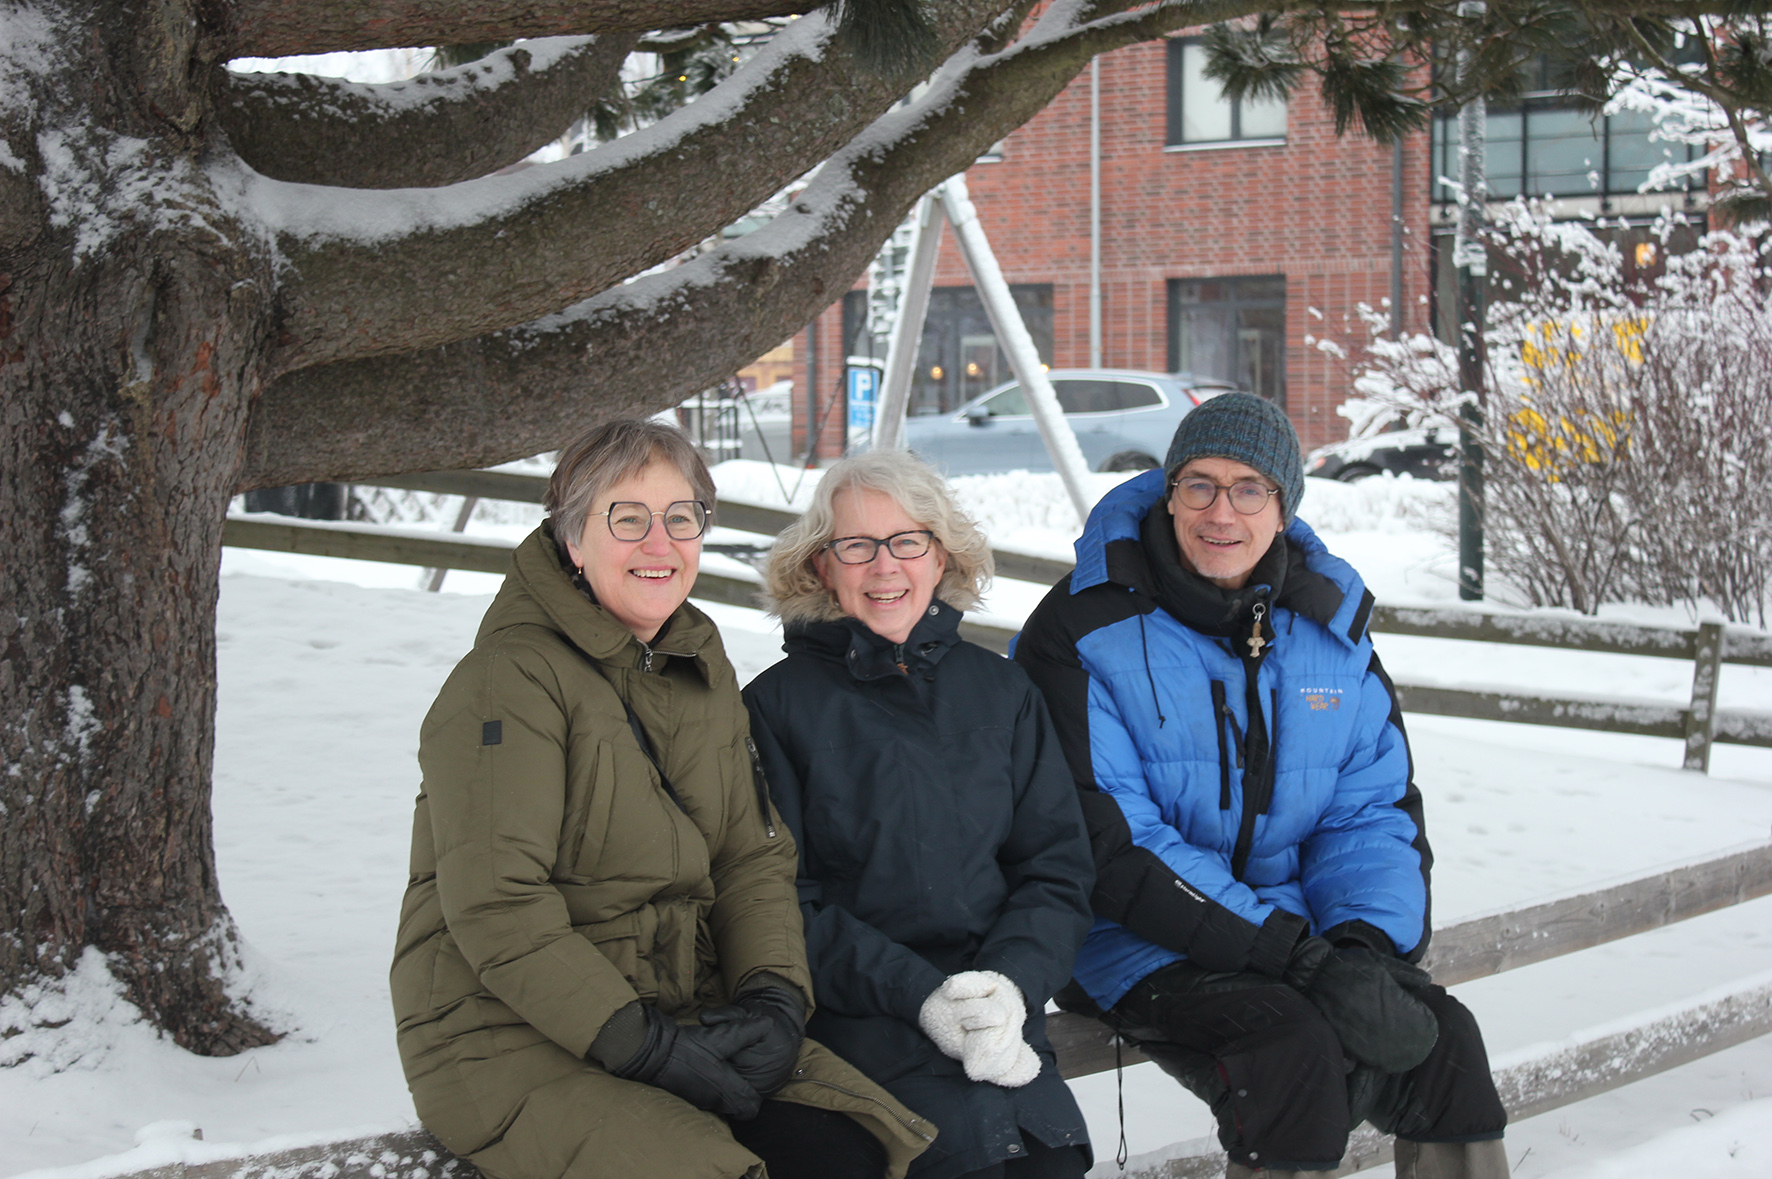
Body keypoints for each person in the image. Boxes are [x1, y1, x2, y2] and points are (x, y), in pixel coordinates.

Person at [391, 419, 935, 1179]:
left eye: (681, 518)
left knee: (847, 1148)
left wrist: (774, 997)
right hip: (506, 1026)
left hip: (679, 1004)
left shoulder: (696, 666)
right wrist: (635, 1040)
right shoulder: (509, 681)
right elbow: (497, 904)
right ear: (573, 539)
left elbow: (752, 858)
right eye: (628, 517)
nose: (660, 542)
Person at [1013, 395, 1508, 1179]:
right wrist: (1297, 960)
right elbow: (1112, 841)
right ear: (1169, 493)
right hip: (1126, 930)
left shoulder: (1329, 630)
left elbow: (1370, 810)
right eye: (1199, 485)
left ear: (1283, 506)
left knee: (1444, 1041)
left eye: (1250, 488)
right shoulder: (1082, 630)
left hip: (1297, 932)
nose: (1221, 511)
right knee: (1290, 1051)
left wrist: (1363, 949)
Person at [742, 452, 1096, 1179]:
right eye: (856, 545)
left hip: (1000, 1013)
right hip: (863, 1020)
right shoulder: (775, 708)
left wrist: (1010, 985)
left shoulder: (1003, 692)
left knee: (1047, 1162)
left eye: (908, 541)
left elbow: (1054, 868)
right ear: (820, 566)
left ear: (942, 557)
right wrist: (920, 994)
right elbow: (780, 904)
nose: (884, 566)